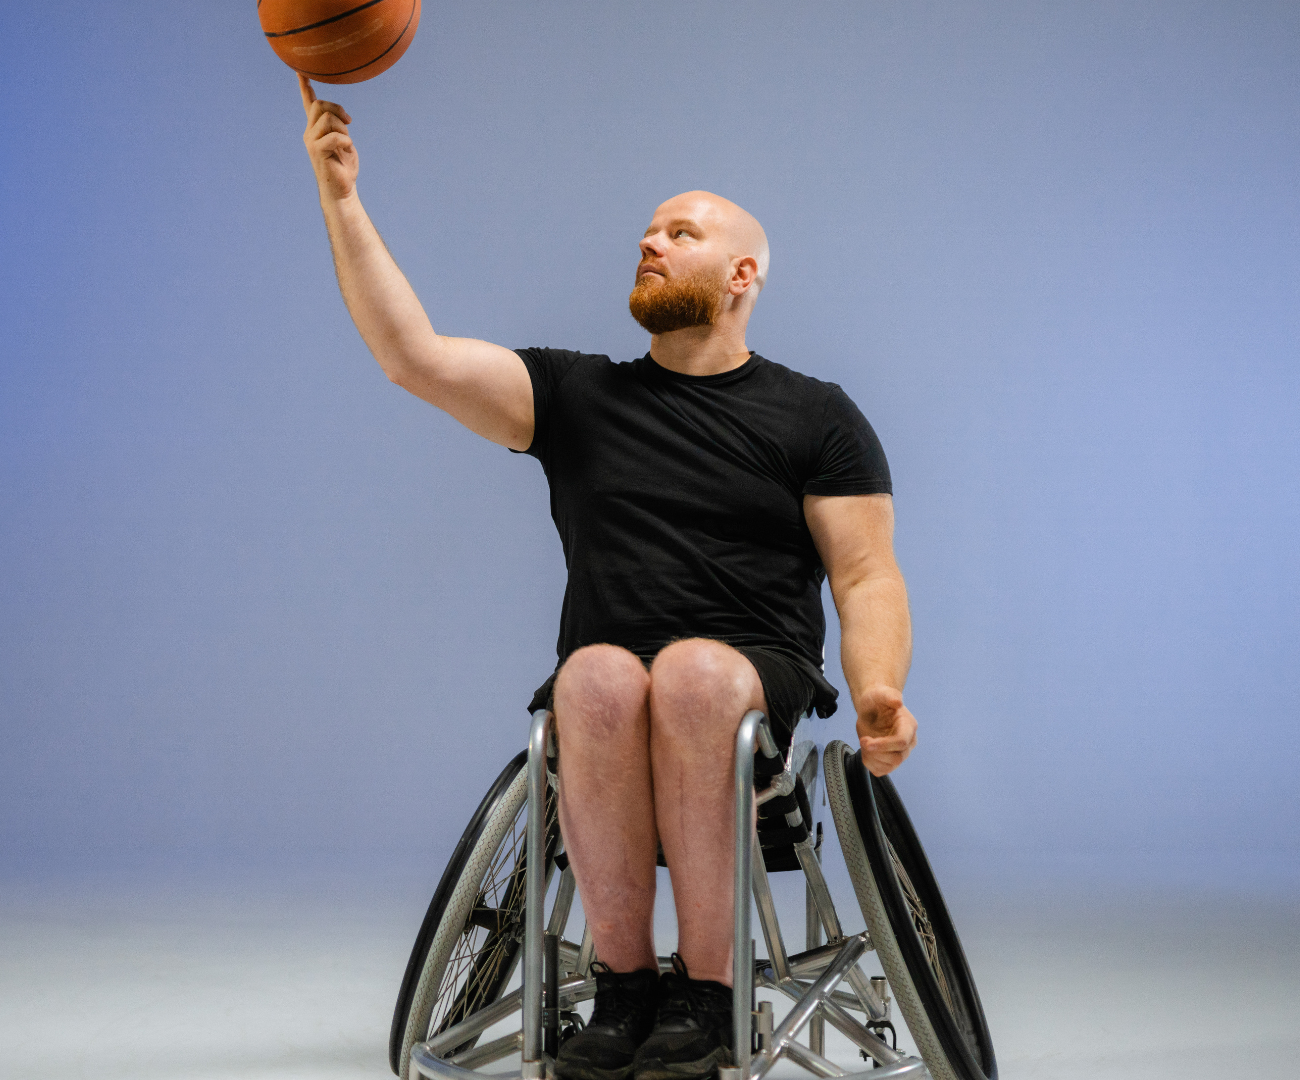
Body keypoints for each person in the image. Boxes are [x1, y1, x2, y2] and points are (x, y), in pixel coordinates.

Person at [298, 77, 918, 1080]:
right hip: (611, 686)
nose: (648, 242)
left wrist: (880, 686)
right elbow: (412, 357)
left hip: (747, 678)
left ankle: (708, 994)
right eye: (648, 231)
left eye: (679, 233)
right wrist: (341, 197)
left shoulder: (817, 415)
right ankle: (626, 989)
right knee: (593, 675)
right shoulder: (579, 395)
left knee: (694, 675)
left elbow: (866, 575)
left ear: (742, 273)